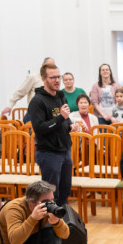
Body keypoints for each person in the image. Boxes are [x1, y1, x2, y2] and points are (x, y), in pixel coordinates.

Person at [28, 62, 81, 206]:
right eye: (53, 78)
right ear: (43, 79)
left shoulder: (61, 96)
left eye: (59, 77)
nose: (57, 80)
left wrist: (70, 125)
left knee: (65, 191)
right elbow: (39, 128)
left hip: (65, 150)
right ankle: (49, 219)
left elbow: (65, 119)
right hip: (49, 153)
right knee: (51, 195)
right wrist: (60, 118)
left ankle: (60, 218)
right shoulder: (37, 101)